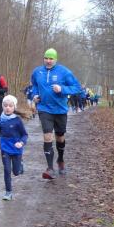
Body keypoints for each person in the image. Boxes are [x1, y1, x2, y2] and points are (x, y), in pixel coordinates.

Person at [30, 48, 82, 179]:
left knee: (60, 137)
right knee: (47, 136)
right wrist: (34, 95)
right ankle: (50, 168)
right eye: (46, 58)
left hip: (60, 110)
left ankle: (60, 159)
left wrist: (62, 89)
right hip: (44, 109)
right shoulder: (37, 71)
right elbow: (34, 85)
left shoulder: (64, 72)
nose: (48, 61)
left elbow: (77, 88)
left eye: (51, 58)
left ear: (55, 59)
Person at [0, 95, 29, 201]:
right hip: (5, 148)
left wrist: (21, 143)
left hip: (16, 149)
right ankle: (8, 192)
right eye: (5, 105)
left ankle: (20, 165)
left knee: (16, 172)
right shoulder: (0, 120)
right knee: (7, 170)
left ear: (14, 107)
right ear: (2, 106)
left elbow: (24, 135)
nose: (8, 108)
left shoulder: (17, 120)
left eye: (10, 106)